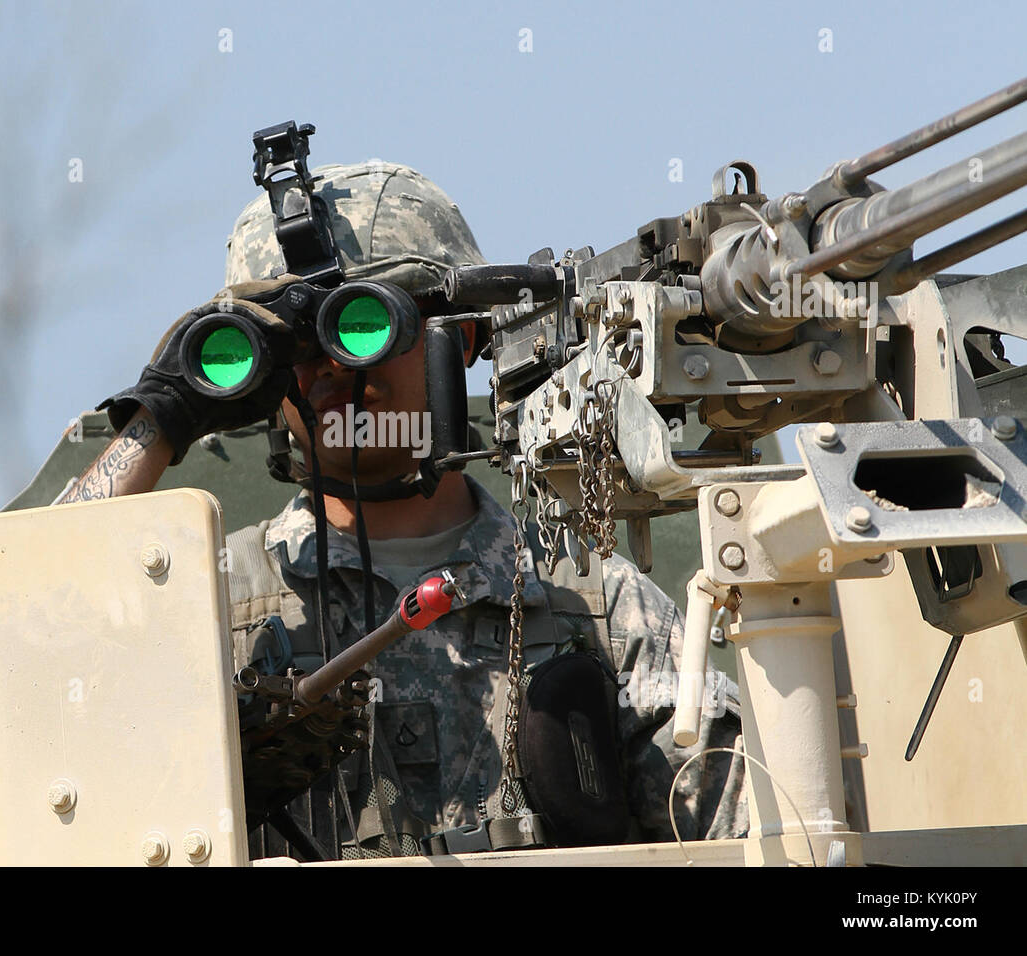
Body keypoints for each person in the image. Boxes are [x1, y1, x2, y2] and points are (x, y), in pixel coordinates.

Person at [60, 159, 747, 860]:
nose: (329, 368)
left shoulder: (594, 607)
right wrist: (161, 418)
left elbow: (757, 834)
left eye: (363, 323)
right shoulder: (201, 604)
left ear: (464, 336)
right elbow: (22, 638)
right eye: (294, 345)